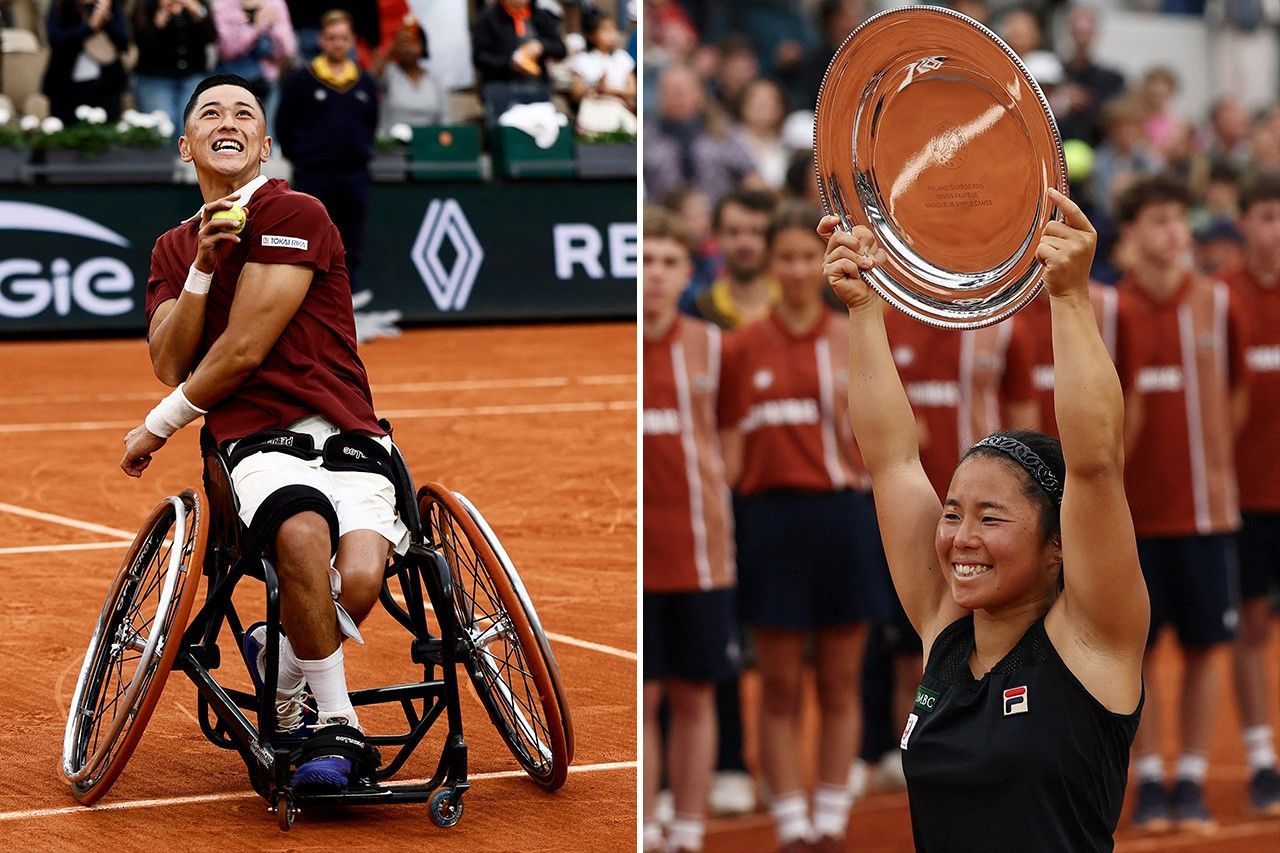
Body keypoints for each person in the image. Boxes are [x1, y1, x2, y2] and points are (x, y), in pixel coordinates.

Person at [821, 185, 1148, 849]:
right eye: (952, 512)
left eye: (990, 517)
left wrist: (1070, 298)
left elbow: (1094, 464)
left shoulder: (1092, 642)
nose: (960, 539)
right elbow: (890, 459)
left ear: (1059, 545)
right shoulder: (946, 626)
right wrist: (863, 312)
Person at [119, 73, 401, 793]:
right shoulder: (172, 248)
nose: (228, 120)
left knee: (363, 574)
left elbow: (244, 348)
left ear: (263, 143)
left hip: (348, 428)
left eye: (244, 112)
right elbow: (168, 358)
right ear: (187, 146)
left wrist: (156, 428)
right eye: (210, 112)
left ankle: (278, 665)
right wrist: (202, 271)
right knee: (302, 534)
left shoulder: (295, 210)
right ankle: (339, 726)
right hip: (257, 440)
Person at [722, 202, 890, 852]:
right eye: (785, 257)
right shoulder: (739, 349)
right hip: (770, 524)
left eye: (805, 257)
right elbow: (731, 458)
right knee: (780, 685)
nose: (797, 270)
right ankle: (791, 823)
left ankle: (831, 817)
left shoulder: (851, 337)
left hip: (844, 520)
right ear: (769, 265)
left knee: (842, 681)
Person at [1111, 175, 1249, 833]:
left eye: (1179, 219)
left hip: (1204, 513)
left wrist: (1213, 458)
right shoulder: (1110, 309)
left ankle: (1188, 777)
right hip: (1129, 521)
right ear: (1130, 235)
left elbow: (1239, 395)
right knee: (1133, 652)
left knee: (1203, 646)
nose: (1174, 232)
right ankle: (1147, 782)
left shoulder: (1218, 304)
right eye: (1158, 220)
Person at [642, 206, 739, 853]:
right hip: (640, 561)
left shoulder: (712, 345)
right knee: (646, 695)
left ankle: (691, 828)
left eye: (668, 262)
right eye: (645, 260)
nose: (654, 274)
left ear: (687, 272)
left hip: (702, 555)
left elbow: (727, 443)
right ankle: (646, 826)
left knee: (696, 691)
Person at [1219, 175, 1280, 816]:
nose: (1277, 230)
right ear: (1242, 223)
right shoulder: (1224, 299)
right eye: (1267, 216)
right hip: (1246, 500)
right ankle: (1262, 758)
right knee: (1251, 630)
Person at [276, 10, 379, 314]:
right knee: (311, 241)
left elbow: (371, 124)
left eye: (343, 38)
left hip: (354, 175)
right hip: (312, 176)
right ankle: (310, 310)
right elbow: (284, 125)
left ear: (352, 41)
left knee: (350, 241)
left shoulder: (365, 82)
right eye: (332, 37)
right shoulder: (301, 80)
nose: (337, 44)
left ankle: (349, 307)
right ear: (321, 40)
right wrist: (304, 158)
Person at [679, 188, 777, 329]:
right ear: (716, 236)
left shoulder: (792, 303)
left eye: (757, 232)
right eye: (733, 232)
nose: (745, 243)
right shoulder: (697, 309)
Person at [471, 0, 567, 127]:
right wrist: (508, 63)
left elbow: (560, 49)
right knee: (506, 134)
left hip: (537, 86)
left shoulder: (541, 15)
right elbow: (480, 58)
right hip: (501, 88)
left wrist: (542, 46)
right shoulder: (488, 17)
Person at [210, 0, 296, 130]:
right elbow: (227, 50)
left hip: (265, 84)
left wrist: (273, 28)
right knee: (231, 133)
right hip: (230, 85)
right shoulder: (223, 6)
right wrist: (257, 27)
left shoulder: (275, 4)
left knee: (265, 134)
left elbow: (288, 50)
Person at [131, 0, 217, 129]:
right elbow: (139, 41)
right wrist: (162, 17)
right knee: (161, 129)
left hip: (193, 75)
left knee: (191, 128)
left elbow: (212, 37)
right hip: (154, 78)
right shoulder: (146, 4)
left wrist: (197, 11)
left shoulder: (198, 3)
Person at [41, 0, 130, 124]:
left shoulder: (109, 4)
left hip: (106, 88)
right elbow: (55, 40)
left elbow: (124, 43)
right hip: (66, 89)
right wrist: (89, 27)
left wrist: (105, 18)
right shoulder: (60, 4)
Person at [370, 13, 449, 135]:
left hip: (427, 147)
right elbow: (371, 78)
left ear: (423, 46)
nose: (408, 48)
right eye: (404, 43)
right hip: (393, 148)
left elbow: (444, 118)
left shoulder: (434, 79)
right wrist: (392, 50)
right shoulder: (388, 73)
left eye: (413, 42)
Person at [568, 11, 637, 136]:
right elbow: (575, 93)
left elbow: (632, 90)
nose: (611, 34)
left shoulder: (623, 58)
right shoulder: (582, 59)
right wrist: (595, 85)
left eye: (613, 30)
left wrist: (609, 90)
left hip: (619, 107)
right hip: (592, 107)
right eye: (605, 30)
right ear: (591, 35)